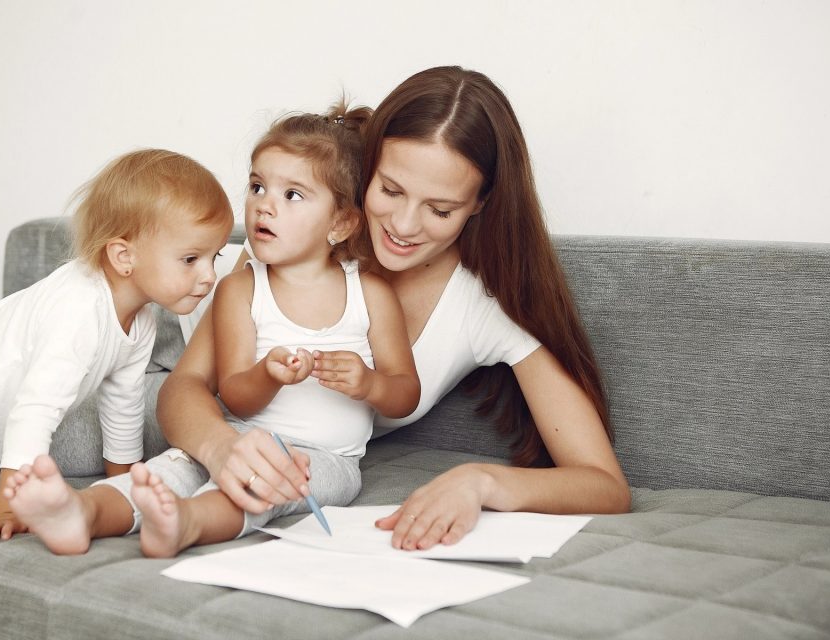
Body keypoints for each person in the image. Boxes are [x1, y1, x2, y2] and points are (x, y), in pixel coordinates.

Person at [156, 65, 632, 553]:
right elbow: (184, 386)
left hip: (284, 450)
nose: (403, 225)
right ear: (369, 168)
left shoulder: (483, 306)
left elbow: (604, 485)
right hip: (169, 365)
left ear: (481, 204)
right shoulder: (299, 229)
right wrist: (220, 448)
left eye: (440, 210)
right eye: (389, 190)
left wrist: (481, 482)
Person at [5, 102, 419, 557]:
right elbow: (235, 395)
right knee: (167, 471)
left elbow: (404, 395)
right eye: (258, 186)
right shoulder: (241, 289)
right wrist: (268, 375)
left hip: (328, 459)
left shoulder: (371, 295)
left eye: (292, 195)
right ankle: (81, 512)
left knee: (265, 488)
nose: (264, 205)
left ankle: (187, 523)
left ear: (340, 222)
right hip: (235, 433)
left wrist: (368, 382)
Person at [0, 149, 233, 543]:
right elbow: (34, 412)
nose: (209, 276)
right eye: (191, 259)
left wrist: (127, 489)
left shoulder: (141, 323)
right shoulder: (79, 311)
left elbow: (123, 408)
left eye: (213, 256)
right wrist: (11, 509)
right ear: (123, 257)